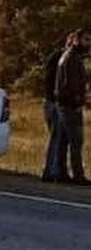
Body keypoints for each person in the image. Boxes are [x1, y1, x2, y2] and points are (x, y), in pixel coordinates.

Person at [54, 28, 91, 185]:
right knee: (76, 141)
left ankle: (61, 172)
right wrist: (78, 101)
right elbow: (72, 84)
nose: (88, 44)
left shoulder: (68, 57)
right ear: (77, 40)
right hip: (70, 106)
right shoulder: (72, 58)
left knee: (63, 141)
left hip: (64, 104)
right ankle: (78, 175)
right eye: (86, 40)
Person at [41, 33, 74, 182]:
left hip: (56, 103)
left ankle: (58, 170)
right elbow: (51, 82)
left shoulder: (65, 59)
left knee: (62, 139)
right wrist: (57, 99)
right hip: (54, 103)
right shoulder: (59, 59)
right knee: (57, 138)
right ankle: (51, 171)